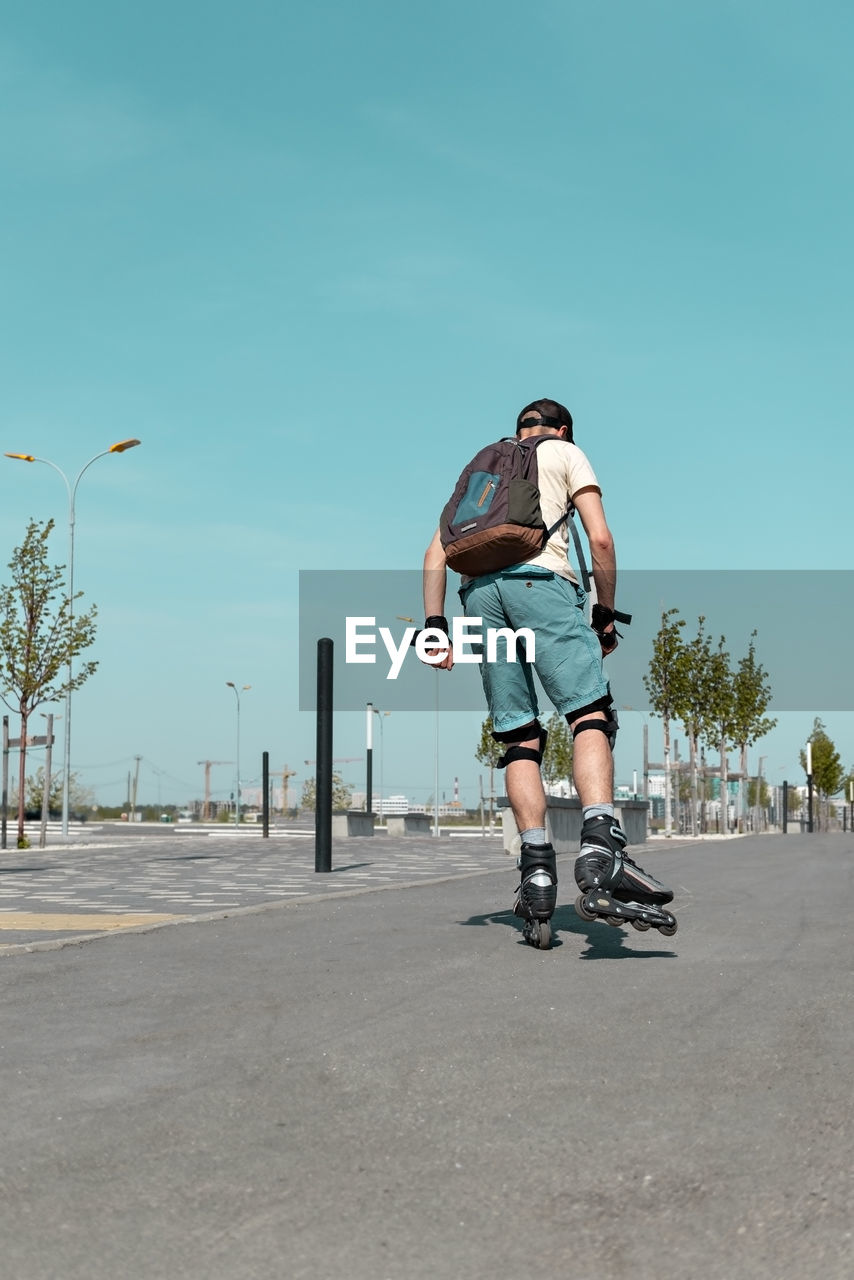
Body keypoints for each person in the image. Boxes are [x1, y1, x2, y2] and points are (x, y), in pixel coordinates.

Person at [420, 397, 674, 945]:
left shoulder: (484, 467)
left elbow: (436, 552)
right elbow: (600, 539)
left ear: (518, 431)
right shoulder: (566, 453)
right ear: (563, 429)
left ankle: (536, 872)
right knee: (589, 716)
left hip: (479, 595)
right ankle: (601, 847)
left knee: (519, 738)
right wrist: (604, 612)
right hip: (542, 585)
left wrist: (434, 624)